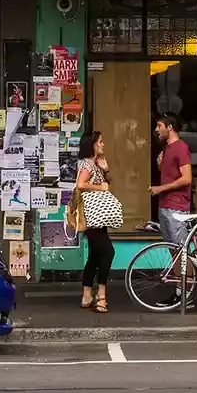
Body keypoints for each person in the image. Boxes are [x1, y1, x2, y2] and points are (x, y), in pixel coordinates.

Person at [75, 131, 114, 313]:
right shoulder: (88, 164)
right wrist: (100, 186)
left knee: (95, 256)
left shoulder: (94, 163)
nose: (103, 145)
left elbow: (109, 186)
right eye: (100, 142)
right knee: (108, 252)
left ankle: (87, 295)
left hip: (98, 216)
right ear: (92, 145)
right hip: (92, 217)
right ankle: (101, 295)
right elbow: (80, 185)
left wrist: (105, 170)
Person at [152, 114, 193, 245]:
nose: (156, 130)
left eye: (159, 126)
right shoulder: (167, 148)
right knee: (173, 251)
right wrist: (160, 165)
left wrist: (160, 188)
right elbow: (170, 175)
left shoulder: (181, 147)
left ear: (169, 127)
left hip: (177, 208)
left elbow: (187, 178)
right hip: (164, 206)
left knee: (181, 252)